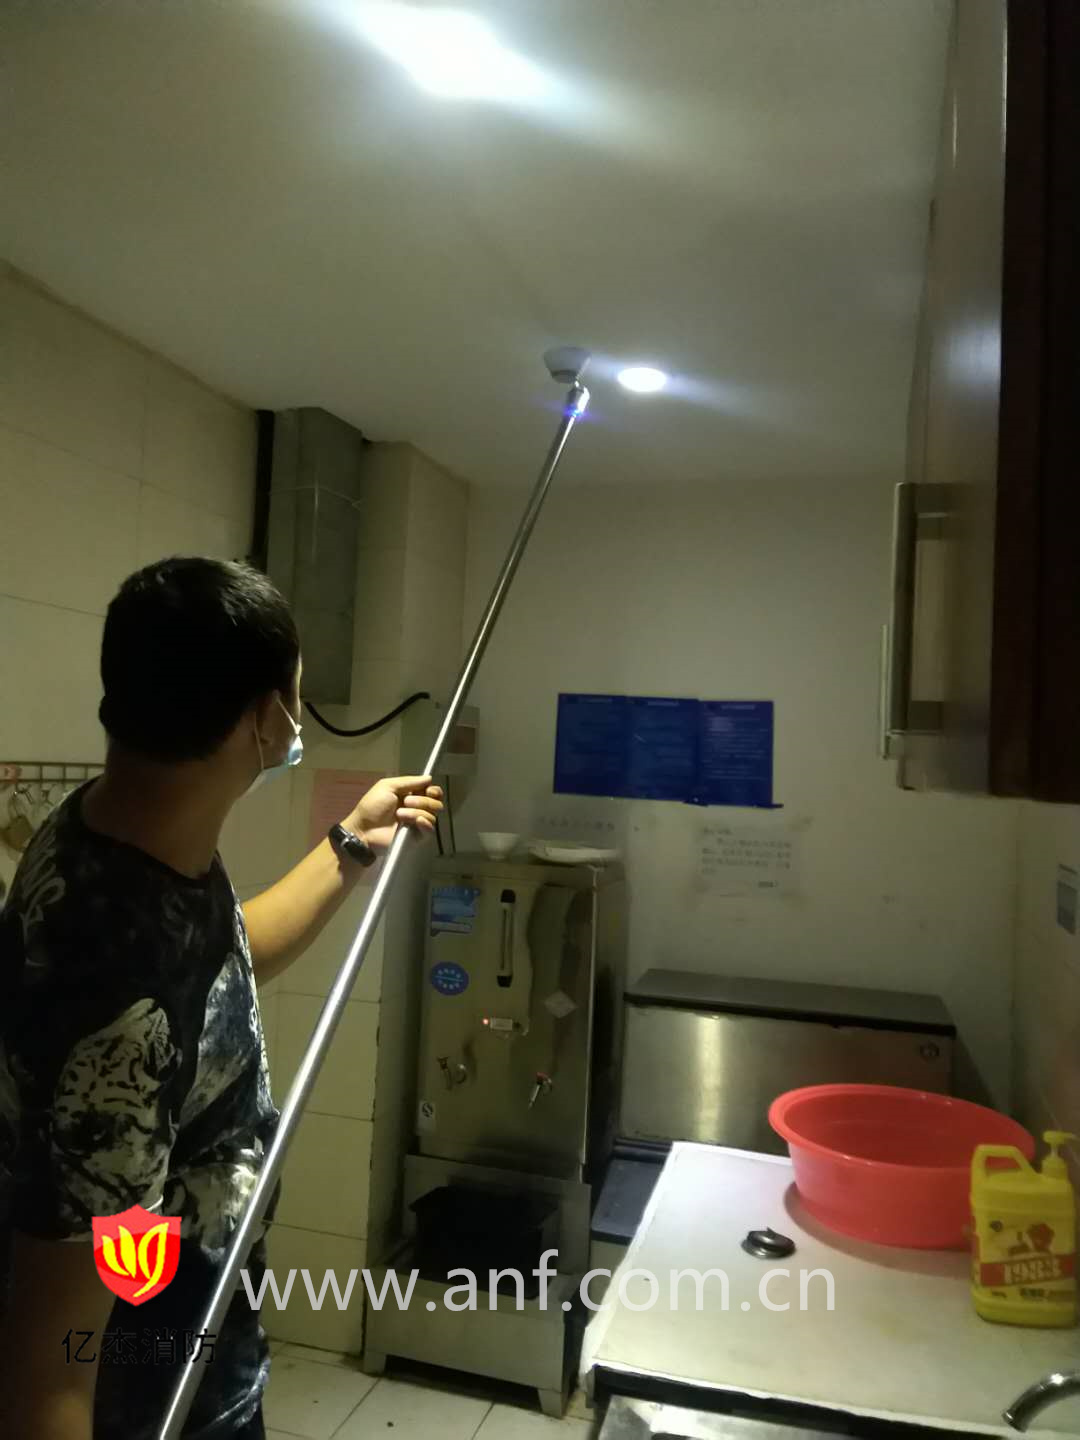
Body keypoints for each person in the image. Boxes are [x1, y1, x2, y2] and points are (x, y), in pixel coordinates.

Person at [0, 557, 443, 1439]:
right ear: (269, 718)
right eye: (297, 697)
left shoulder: (114, 833)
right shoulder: (117, 1009)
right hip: (145, 1395)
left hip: (197, 1349)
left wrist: (350, 845)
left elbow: (211, 972)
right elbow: (49, 1366)